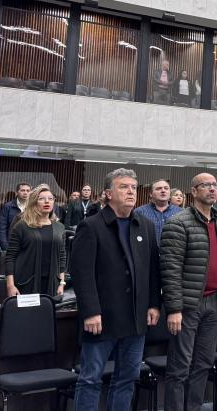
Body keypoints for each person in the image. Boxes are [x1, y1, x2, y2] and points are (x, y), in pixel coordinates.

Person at [70, 169, 161, 411]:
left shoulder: (146, 226)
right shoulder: (90, 226)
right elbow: (81, 273)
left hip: (136, 316)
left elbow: (153, 270)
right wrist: (90, 311)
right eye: (124, 187)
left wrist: (154, 304)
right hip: (102, 317)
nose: (131, 191)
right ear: (108, 194)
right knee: (90, 379)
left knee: (127, 378)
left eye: (134, 187)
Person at [161, 173, 217, 411]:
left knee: (203, 364)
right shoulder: (178, 223)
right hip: (188, 305)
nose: (212, 189)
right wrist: (174, 309)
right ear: (194, 191)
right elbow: (170, 270)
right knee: (180, 367)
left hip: (213, 302)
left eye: (215, 185)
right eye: (206, 185)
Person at [4, 184, 66, 298]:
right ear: (34, 202)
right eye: (41, 198)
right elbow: (10, 257)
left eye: (50, 198)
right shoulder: (21, 226)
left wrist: (62, 283)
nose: (47, 201)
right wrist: (10, 285)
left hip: (52, 284)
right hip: (26, 283)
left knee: (48, 309)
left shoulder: (60, 227)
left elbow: (61, 257)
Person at [134, 179, 183, 248]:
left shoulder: (181, 213)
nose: (163, 191)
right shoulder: (139, 212)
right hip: (147, 252)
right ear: (151, 194)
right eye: (158, 189)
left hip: (173, 253)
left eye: (166, 188)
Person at [0, 181, 30, 250]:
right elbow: (1, 228)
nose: (25, 193)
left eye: (28, 191)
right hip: (11, 244)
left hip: (28, 245)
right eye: (22, 190)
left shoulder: (33, 207)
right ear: (17, 192)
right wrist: (5, 247)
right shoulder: (8, 207)